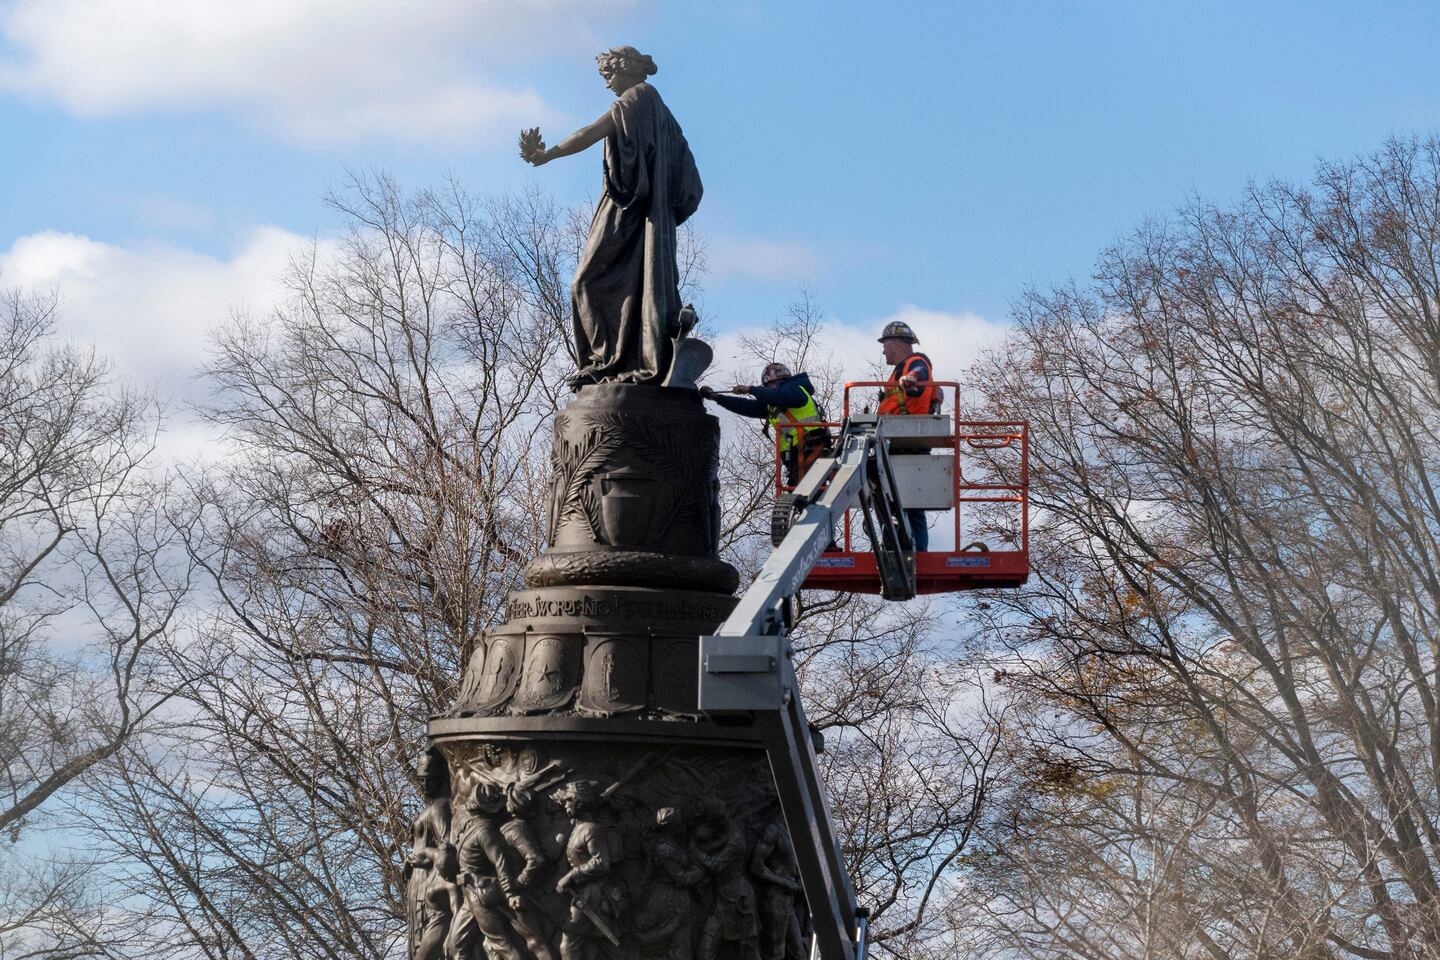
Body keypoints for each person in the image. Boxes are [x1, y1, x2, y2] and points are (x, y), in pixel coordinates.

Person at [521, 46, 703, 388]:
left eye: (609, 75)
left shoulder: (639, 98)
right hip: (641, 212)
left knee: (586, 282)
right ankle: (618, 359)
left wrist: (549, 155)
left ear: (629, 71)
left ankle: (604, 361)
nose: (607, 85)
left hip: (631, 211)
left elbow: (592, 131)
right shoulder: (660, 110)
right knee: (627, 285)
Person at [702, 363, 832, 487]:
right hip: (796, 454)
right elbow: (746, 407)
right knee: (803, 495)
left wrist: (750, 389)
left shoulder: (794, 389)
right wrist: (717, 398)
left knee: (810, 492)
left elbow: (780, 396)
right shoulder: (775, 403)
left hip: (812, 447)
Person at [876, 320, 940, 551]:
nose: (883, 349)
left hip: (907, 442)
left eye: (885, 344)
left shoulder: (915, 363)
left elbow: (920, 374)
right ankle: (901, 547)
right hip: (899, 440)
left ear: (898, 343)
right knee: (903, 503)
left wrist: (911, 378)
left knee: (908, 503)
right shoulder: (900, 369)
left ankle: (910, 551)